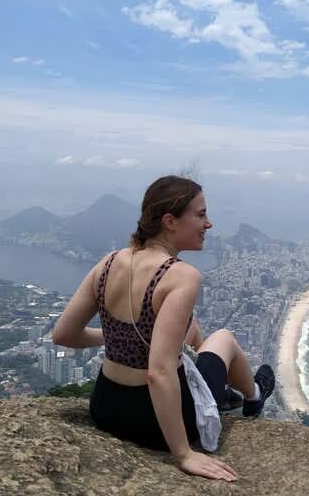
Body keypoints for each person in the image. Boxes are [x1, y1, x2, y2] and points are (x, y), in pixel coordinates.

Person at [52, 175, 275, 482]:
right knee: (223, 338)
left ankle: (235, 394)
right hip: (152, 423)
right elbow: (159, 371)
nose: (208, 224)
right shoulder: (181, 276)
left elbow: (63, 335)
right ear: (170, 221)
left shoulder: (108, 262)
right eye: (200, 214)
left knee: (192, 326)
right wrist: (183, 454)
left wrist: (117, 335)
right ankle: (254, 396)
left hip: (104, 407)